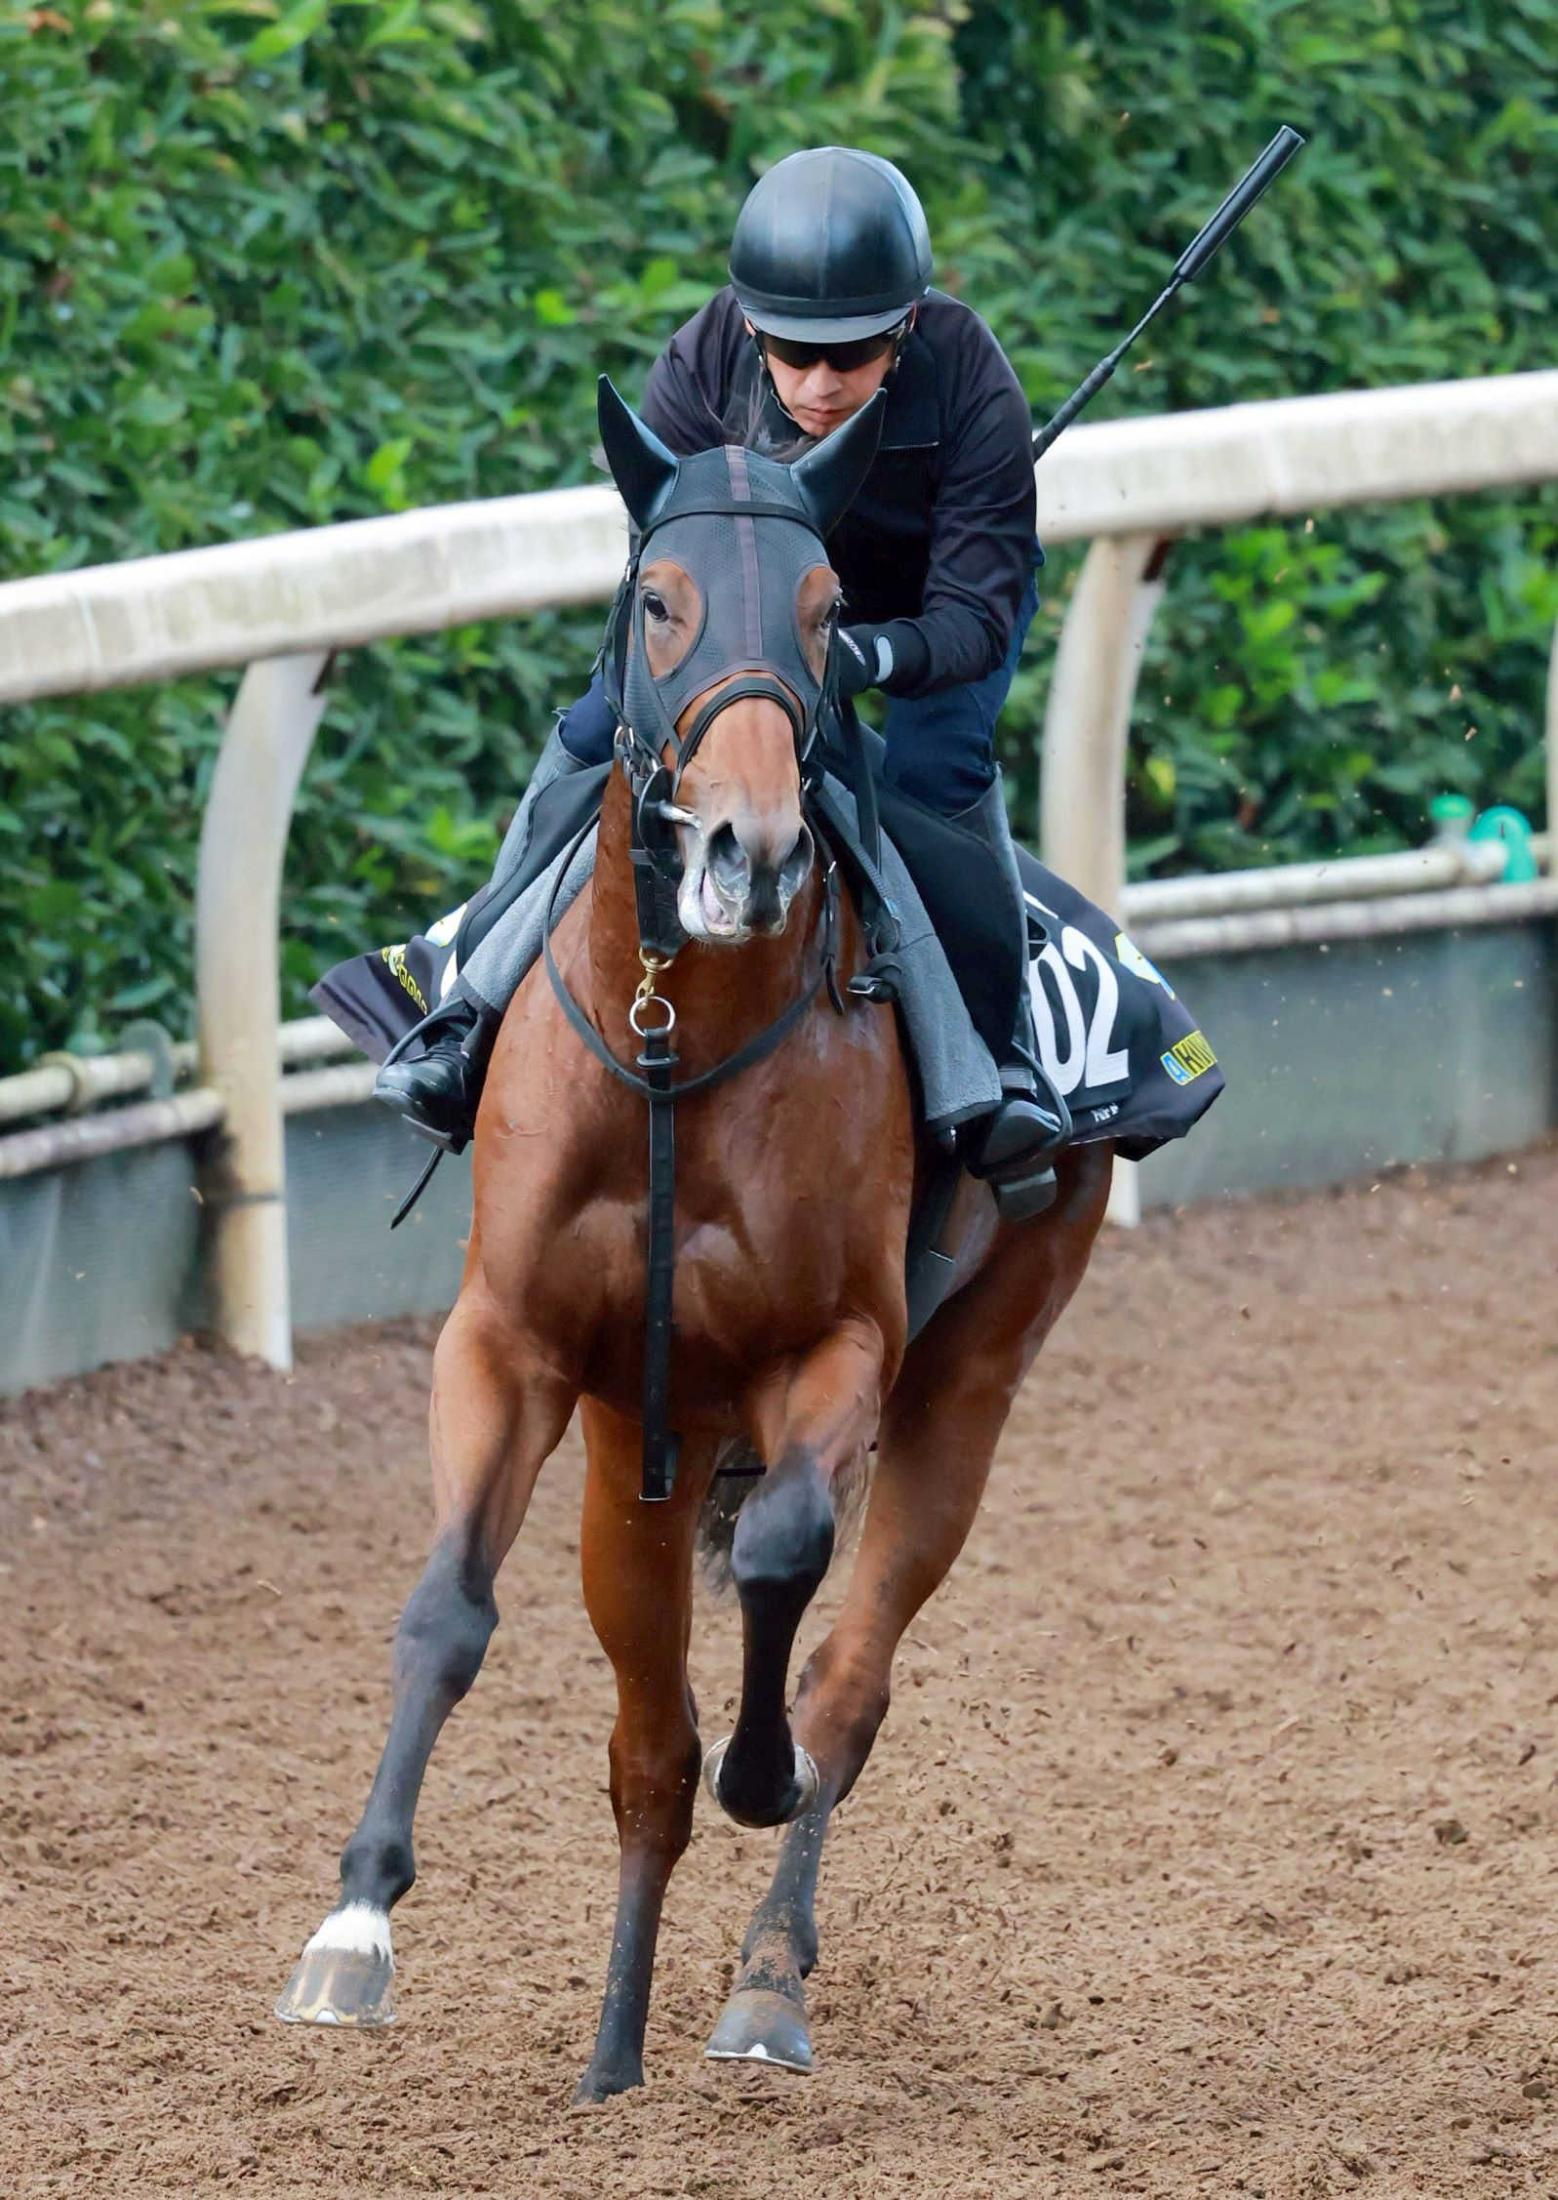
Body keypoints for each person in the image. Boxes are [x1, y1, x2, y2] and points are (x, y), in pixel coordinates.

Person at [368, 145, 1066, 1214]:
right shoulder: (696, 367)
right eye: (792, 353)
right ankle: (466, 1013)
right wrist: (765, 661)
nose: (820, 384)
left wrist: (860, 655)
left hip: (927, 615)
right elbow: (670, 575)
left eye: (857, 353)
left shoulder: (971, 377)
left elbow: (972, 614)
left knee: (933, 769)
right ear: (749, 327)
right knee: (597, 731)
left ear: (909, 327)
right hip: (748, 622)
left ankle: (996, 1057)